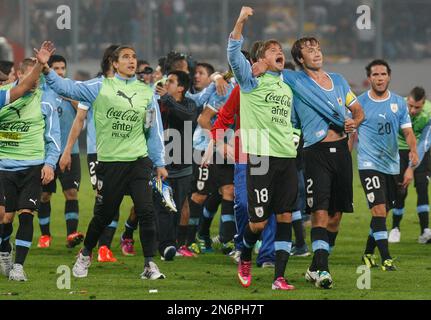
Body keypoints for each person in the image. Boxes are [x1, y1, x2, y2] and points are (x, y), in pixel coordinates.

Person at [45, 45, 168, 280]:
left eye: (134, 57)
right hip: (110, 163)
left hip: (139, 162)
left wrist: (159, 162)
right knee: (104, 214)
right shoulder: (99, 86)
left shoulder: (146, 92)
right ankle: (85, 253)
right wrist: (45, 68)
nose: (131, 61)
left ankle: (150, 264)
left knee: (146, 211)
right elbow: (66, 87)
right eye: (126, 57)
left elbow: (153, 130)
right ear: (114, 63)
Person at [253, 35, 364, 289]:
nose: (316, 52)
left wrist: (354, 122)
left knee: (336, 216)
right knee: (319, 211)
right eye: (309, 50)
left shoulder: (338, 80)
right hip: (315, 153)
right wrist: (256, 66)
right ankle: (323, 270)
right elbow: (267, 70)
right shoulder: (293, 78)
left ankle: (315, 265)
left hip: (343, 152)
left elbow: (357, 110)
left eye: (317, 48)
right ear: (300, 59)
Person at [227, 7, 299, 291]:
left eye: (280, 49)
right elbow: (234, 56)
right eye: (272, 50)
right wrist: (241, 21)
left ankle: (279, 277)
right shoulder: (250, 81)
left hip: (286, 159)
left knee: (285, 217)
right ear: (259, 60)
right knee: (258, 223)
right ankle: (245, 253)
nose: (279, 52)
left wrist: (295, 136)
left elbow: (292, 120)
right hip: (261, 160)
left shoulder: (286, 88)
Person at [0, 46, 60, 281]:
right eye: (29, 77)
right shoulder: (5, 95)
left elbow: (54, 138)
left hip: (32, 167)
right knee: (5, 218)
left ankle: (18, 266)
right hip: (4, 167)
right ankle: (4, 248)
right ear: (18, 76)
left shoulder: (46, 101)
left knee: (26, 214)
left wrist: (49, 164)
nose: (33, 82)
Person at [357, 59, 418, 271]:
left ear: (389, 76)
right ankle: (386, 259)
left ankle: (367, 253)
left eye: (383, 74)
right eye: (375, 75)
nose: (379, 78)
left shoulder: (400, 103)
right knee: (379, 210)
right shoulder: (360, 103)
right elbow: (350, 133)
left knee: (384, 213)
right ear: (369, 78)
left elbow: (408, 132)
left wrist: (413, 150)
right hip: (368, 163)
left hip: (391, 165)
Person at [37, 54, 85, 249]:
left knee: (71, 192)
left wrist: (69, 96)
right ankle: (45, 236)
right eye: (55, 68)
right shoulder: (41, 92)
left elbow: (84, 113)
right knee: (44, 196)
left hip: (70, 152)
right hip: (47, 154)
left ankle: (72, 234)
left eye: (62, 68)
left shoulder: (71, 90)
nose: (59, 72)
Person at [153, 70, 197, 260]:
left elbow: (187, 117)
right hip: (162, 166)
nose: (166, 83)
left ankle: (170, 244)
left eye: (170, 81)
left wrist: (167, 100)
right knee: (163, 207)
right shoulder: (157, 103)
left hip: (183, 168)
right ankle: (167, 246)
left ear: (181, 88)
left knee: (176, 208)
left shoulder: (189, 104)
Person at [389, 87, 431, 244]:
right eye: (410, 106)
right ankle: (395, 228)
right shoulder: (396, 107)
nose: (413, 110)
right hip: (399, 150)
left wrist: (411, 168)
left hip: (421, 149)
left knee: (422, 187)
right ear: (407, 100)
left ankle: (425, 231)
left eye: (417, 107)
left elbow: (425, 142)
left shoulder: (429, 113)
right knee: (401, 189)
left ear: (424, 103)